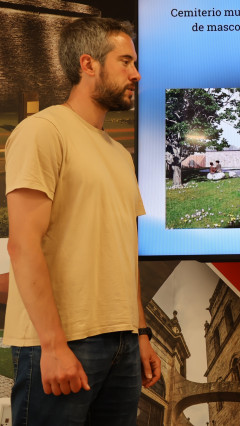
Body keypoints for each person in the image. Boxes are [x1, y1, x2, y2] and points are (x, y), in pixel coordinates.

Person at [4, 17, 161, 425]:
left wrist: (140, 333)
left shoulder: (118, 154)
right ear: (88, 64)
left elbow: (123, 252)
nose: (136, 74)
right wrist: (53, 346)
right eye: (125, 61)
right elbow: (23, 244)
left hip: (122, 343)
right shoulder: (42, 131)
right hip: (60, 342)